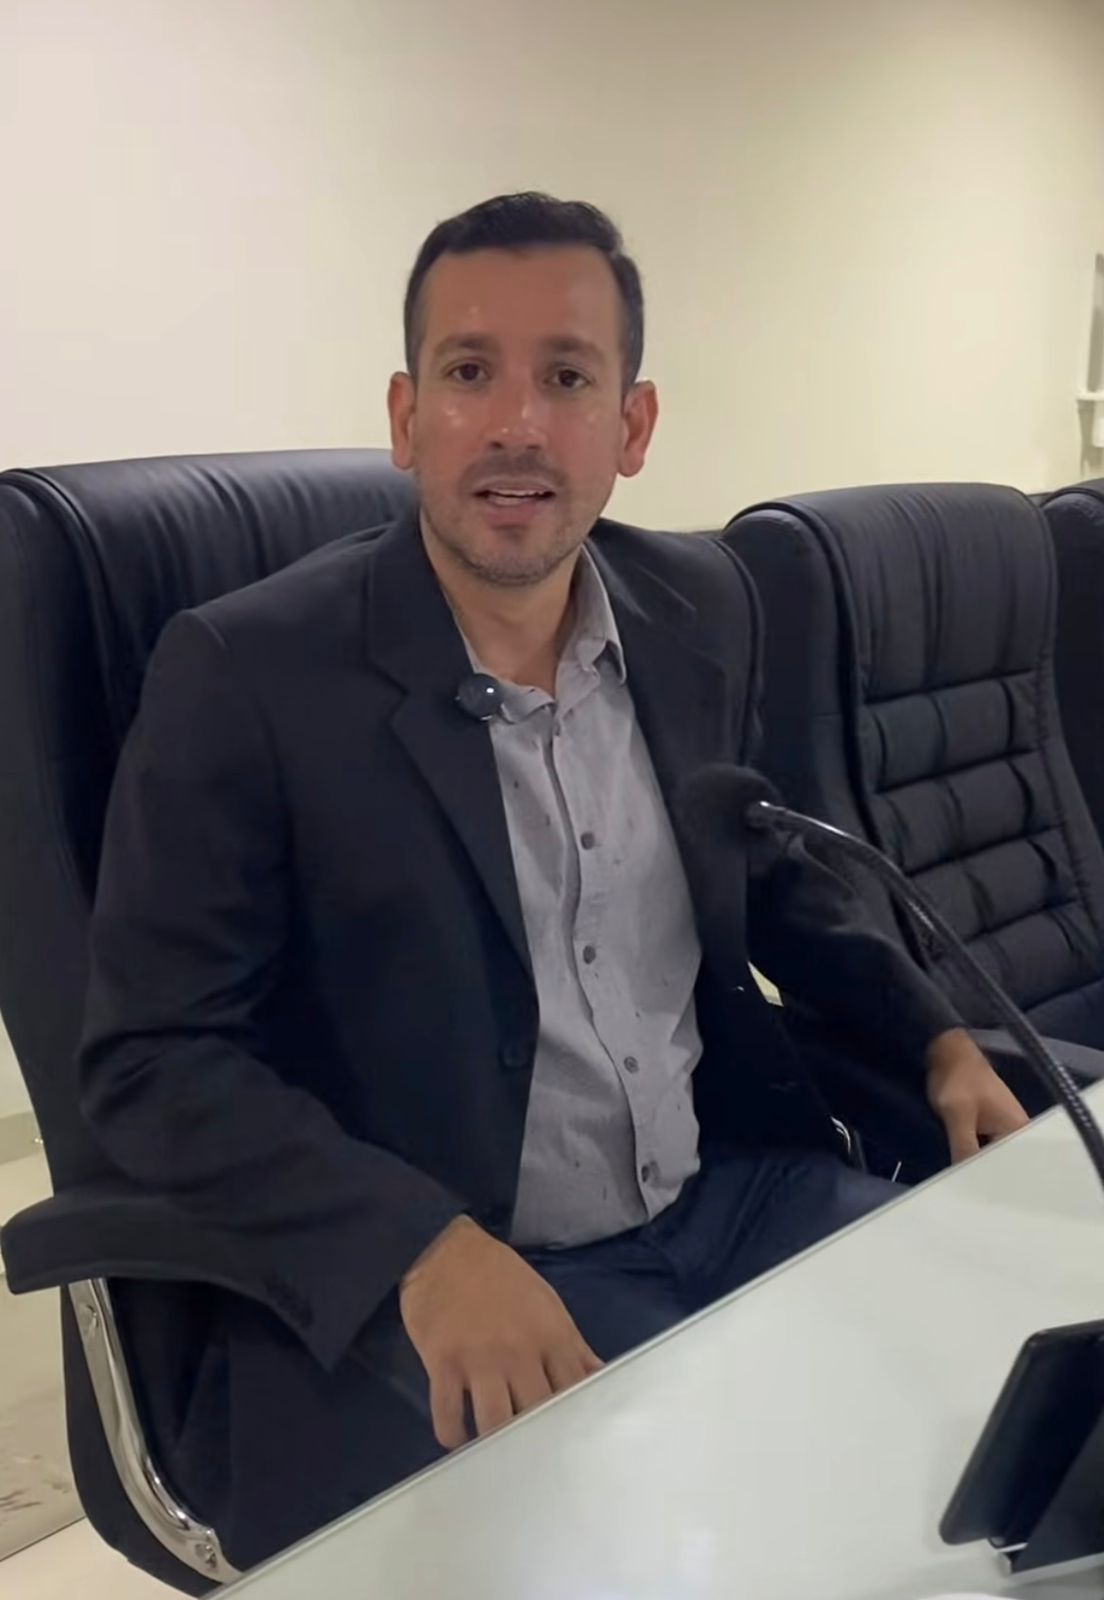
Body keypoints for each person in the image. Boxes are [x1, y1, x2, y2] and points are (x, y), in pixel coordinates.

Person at [80, 192, 1028, 1568]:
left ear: (632, 428)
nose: (518, 423)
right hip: (474, 1264)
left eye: (569, 378)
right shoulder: (248, 676)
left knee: (1003, 1391)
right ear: (408, 418)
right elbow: (152, 1062)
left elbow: (772, 867)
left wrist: (934, 1039)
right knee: (759, 1541)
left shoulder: (698, 608)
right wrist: (420, 1247)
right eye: (471, 371)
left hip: (730, 1195)